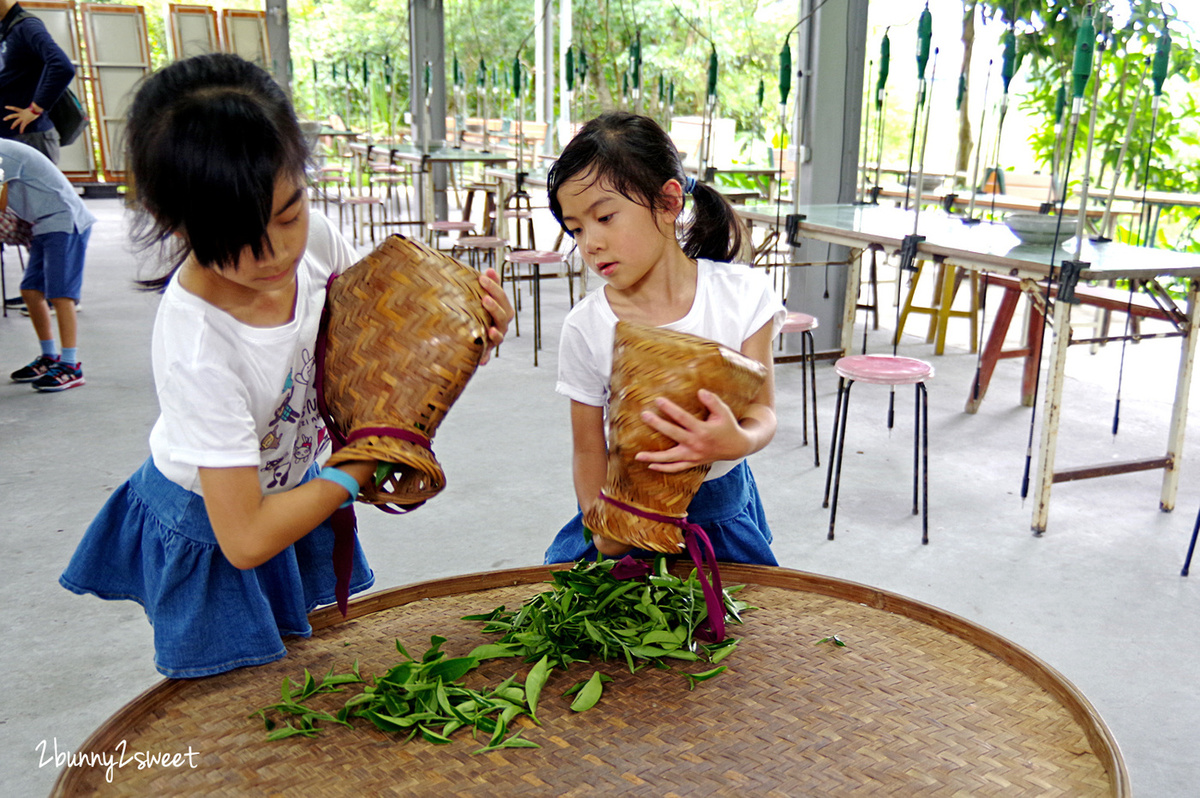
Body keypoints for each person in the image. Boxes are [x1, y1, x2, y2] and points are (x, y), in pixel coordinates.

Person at [59, 53, 513, 679]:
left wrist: (467, 332)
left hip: (295, 490)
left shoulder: (318, 241)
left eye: (289, 213)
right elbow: (244, 539)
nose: (275, 254)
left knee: (292, 668)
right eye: (236, 234)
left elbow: (382, 336)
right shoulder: (198, 342)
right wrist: (355, 467)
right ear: (176, 221)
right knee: (231, 694)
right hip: (217, 524)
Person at [543, 112, 785, 567]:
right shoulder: (586, 326)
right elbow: (589, 446)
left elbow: (763, 411)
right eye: (576, 228)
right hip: (627, 509)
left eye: (605, 217)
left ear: (669, 201)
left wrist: (738, 442)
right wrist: (601, 526)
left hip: (719, 513)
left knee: (729, 629)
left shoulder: (742, 295)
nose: (590, 242)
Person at [3, 137, 93, 391]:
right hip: (43, 224)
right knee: (31, 291)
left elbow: (0, 201)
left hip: (64, 221)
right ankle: (49, 357)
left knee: (61, 295)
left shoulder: (1, 153)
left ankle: (70, 365)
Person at [0, 0, 75, 163]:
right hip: (9, 138)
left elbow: (62, 65)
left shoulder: (26, 26)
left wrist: (35, 108)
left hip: (30, 136)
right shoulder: (5, 30)